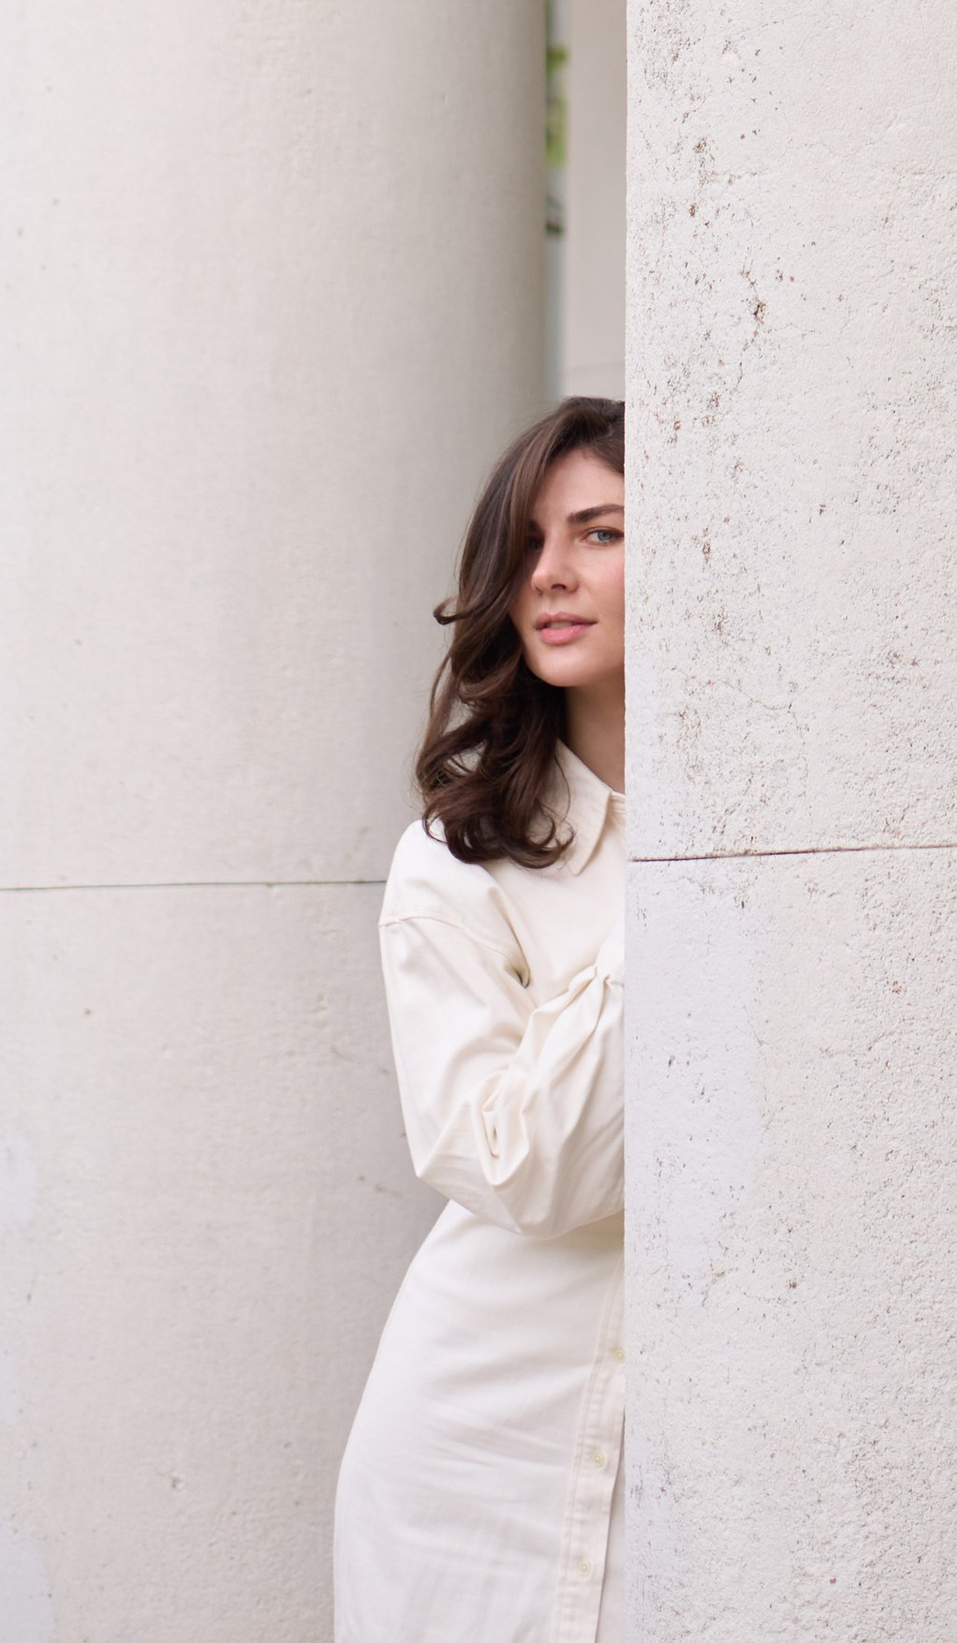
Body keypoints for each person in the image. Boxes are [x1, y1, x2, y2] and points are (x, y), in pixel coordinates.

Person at [336, 396, 627, 1643]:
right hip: (479, 1444)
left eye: (600, 532)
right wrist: (687, 891)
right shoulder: (457, 861)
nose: (549, 575)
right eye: (525, 546)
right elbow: (530, 1170)